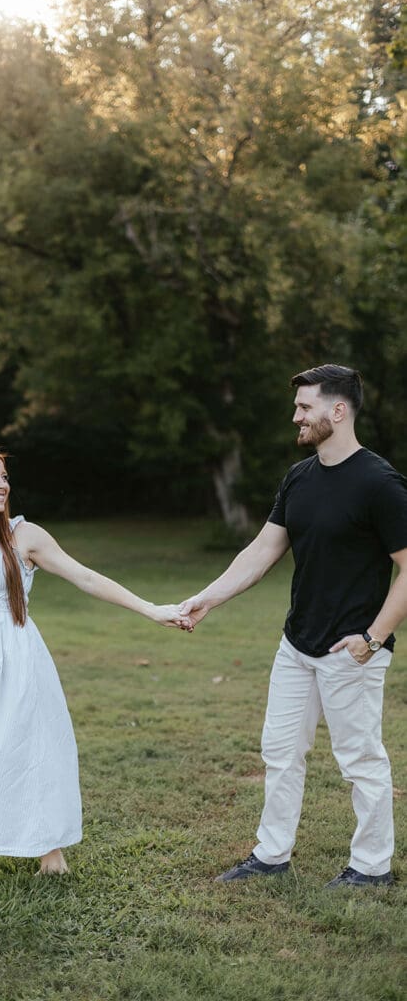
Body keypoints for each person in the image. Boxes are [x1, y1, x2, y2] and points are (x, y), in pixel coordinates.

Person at [0, 446, 186, 910]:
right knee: (8, 756)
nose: (3, 485)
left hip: (13, 665)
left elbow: (84, 577)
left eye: (5, 477)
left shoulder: (24, 537)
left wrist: (150, 609)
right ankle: (51, 854)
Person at [179, 364, 407, 887]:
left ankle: (373, 869)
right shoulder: (299, 478)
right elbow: (262, 550)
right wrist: (207, 598)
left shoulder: (380, 483)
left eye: (305, 407)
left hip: (351, 649)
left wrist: (372, 639)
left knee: (359, 761)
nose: (296, 417)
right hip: (296, 644)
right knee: (280, 753)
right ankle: (271, 856)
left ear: (338, 410)